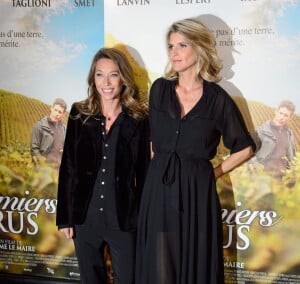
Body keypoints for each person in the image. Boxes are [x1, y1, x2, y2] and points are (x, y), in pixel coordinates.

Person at [135, 18, 255, 284]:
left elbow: (245, 147)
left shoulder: (217, 98)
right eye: (170, 46)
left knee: (194, 260)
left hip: (196, 191)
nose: (173, 53)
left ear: (198, 48)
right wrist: (151, 185)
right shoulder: (159, 90)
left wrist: (213, 173)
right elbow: (153, 145)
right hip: (159, 187)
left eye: (181, 45)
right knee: (159, 261)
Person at [56, 48, 150, 284]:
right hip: (85, 219)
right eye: (100, 75)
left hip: (124, 220)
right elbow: (68, 166)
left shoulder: (138, 118)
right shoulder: (80, 113)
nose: (106, 83)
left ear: (124, 78)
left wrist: (145, 219)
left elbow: (144, 173)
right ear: (92, 78)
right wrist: (65, 217)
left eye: (113, 75)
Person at [30, 98, 67, 168]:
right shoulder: (40, 126)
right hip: (43, 170)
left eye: (60, 112)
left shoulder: (64, 129)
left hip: (57, 171)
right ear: (51, 108)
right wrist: (42, 165)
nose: (56, 114)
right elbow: (34, 149)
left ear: (63, 114)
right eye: (55, 110)